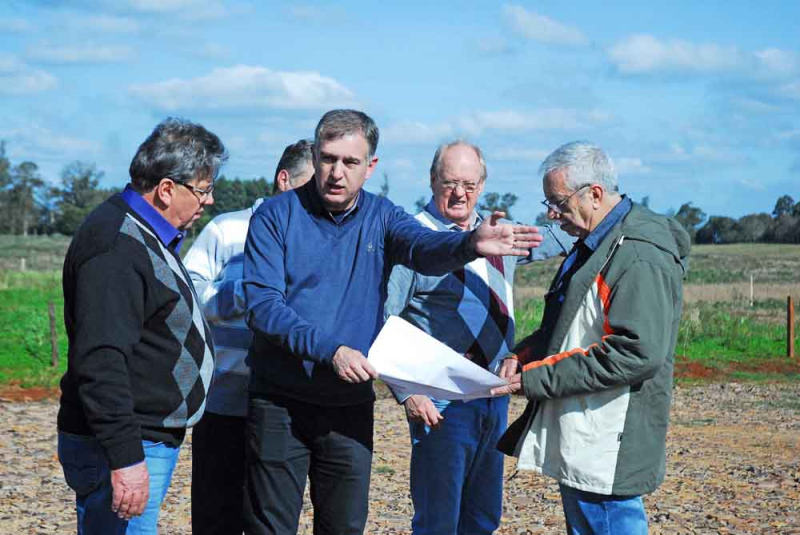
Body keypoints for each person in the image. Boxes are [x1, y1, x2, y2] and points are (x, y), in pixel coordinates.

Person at [241, 109, 543, 535]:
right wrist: (332, 351)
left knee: (345, 526)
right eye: (328, 159)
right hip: (279, 402)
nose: (337, 173)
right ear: (314, 154)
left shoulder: (382, 216)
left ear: (371, 166)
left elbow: (423, 246)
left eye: (351, 162)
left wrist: (469, 245)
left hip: (347, 406)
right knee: (270, 527)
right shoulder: (276, 216)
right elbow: (263, 306)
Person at [491, 141, 690, 535]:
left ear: (594, 194)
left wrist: (534, 378)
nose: (551, 215)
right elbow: (569, 321)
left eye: (559, 203)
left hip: (607, 441)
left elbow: (636, 352)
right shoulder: (598, 243)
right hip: (587, 432)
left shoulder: (637, 255)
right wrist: (524, 354)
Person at [383, 140, 574, 535]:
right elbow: (383, 324)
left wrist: (587, 207)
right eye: (450, 182)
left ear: (483, 185)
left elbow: (566, 237)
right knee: (439, 519)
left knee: (482, 516)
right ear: (432, 180)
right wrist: (407, 392)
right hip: (440, 397)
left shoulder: (500, 236)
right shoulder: (413, 239)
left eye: (469, 185)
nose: (459, 194)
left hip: (494, 391)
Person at [57, 117, 227, 534]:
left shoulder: (145, 234)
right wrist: (125, 457)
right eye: (203, 190)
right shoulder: (116, 248)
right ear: (167, 189)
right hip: (126, 441)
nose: (208, 201)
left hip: (142, 438)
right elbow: (101, 360)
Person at [184, 138, 313, 535]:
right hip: (225, 402)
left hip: (287, 406)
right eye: (311, 186)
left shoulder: (316, 239)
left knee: (269, 520)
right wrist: (246, 295)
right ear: (284, 180)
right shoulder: (227, 229)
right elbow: (188, 294)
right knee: (215, 516)